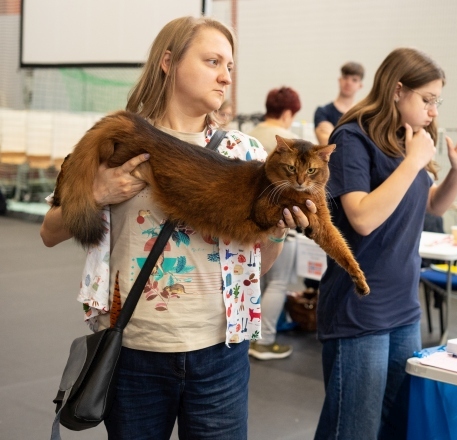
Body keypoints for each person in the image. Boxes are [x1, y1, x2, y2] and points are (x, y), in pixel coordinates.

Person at [40, 16, 316, 440]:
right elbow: (50, 231)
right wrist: (98, 191)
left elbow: (256, 267)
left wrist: (277, 231)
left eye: (230, 65)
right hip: (132, 351)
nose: (225, 76)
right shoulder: (119, 141)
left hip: (220, 352)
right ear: (168, 61)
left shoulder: (245, 152)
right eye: (212, 61)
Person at [314, 47, 457, 440]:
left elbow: (428, 205)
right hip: (360, 312)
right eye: (427, 100)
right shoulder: (352, 136)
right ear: (397, 90)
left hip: (403, 310)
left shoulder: (405, 140)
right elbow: (362, 217)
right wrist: (413, 162)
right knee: (353, 430)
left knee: (396, 427)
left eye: (437, 102)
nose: (433, 112)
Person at [247, 86, 301, 360]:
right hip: (281, 222)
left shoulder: (248, 136)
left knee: (254, 279)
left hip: (250, 221)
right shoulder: (291, 141)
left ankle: (248, 336)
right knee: (278, 282)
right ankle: (265, 341)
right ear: (289, 113)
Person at [313, 61, 364, 146]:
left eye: (354, 80)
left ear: (360, 85)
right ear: (339, 80)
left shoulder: (362, 114)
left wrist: (333, 133)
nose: (348, 83)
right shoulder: (323, 112)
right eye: (345, 77)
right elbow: (325, 145)